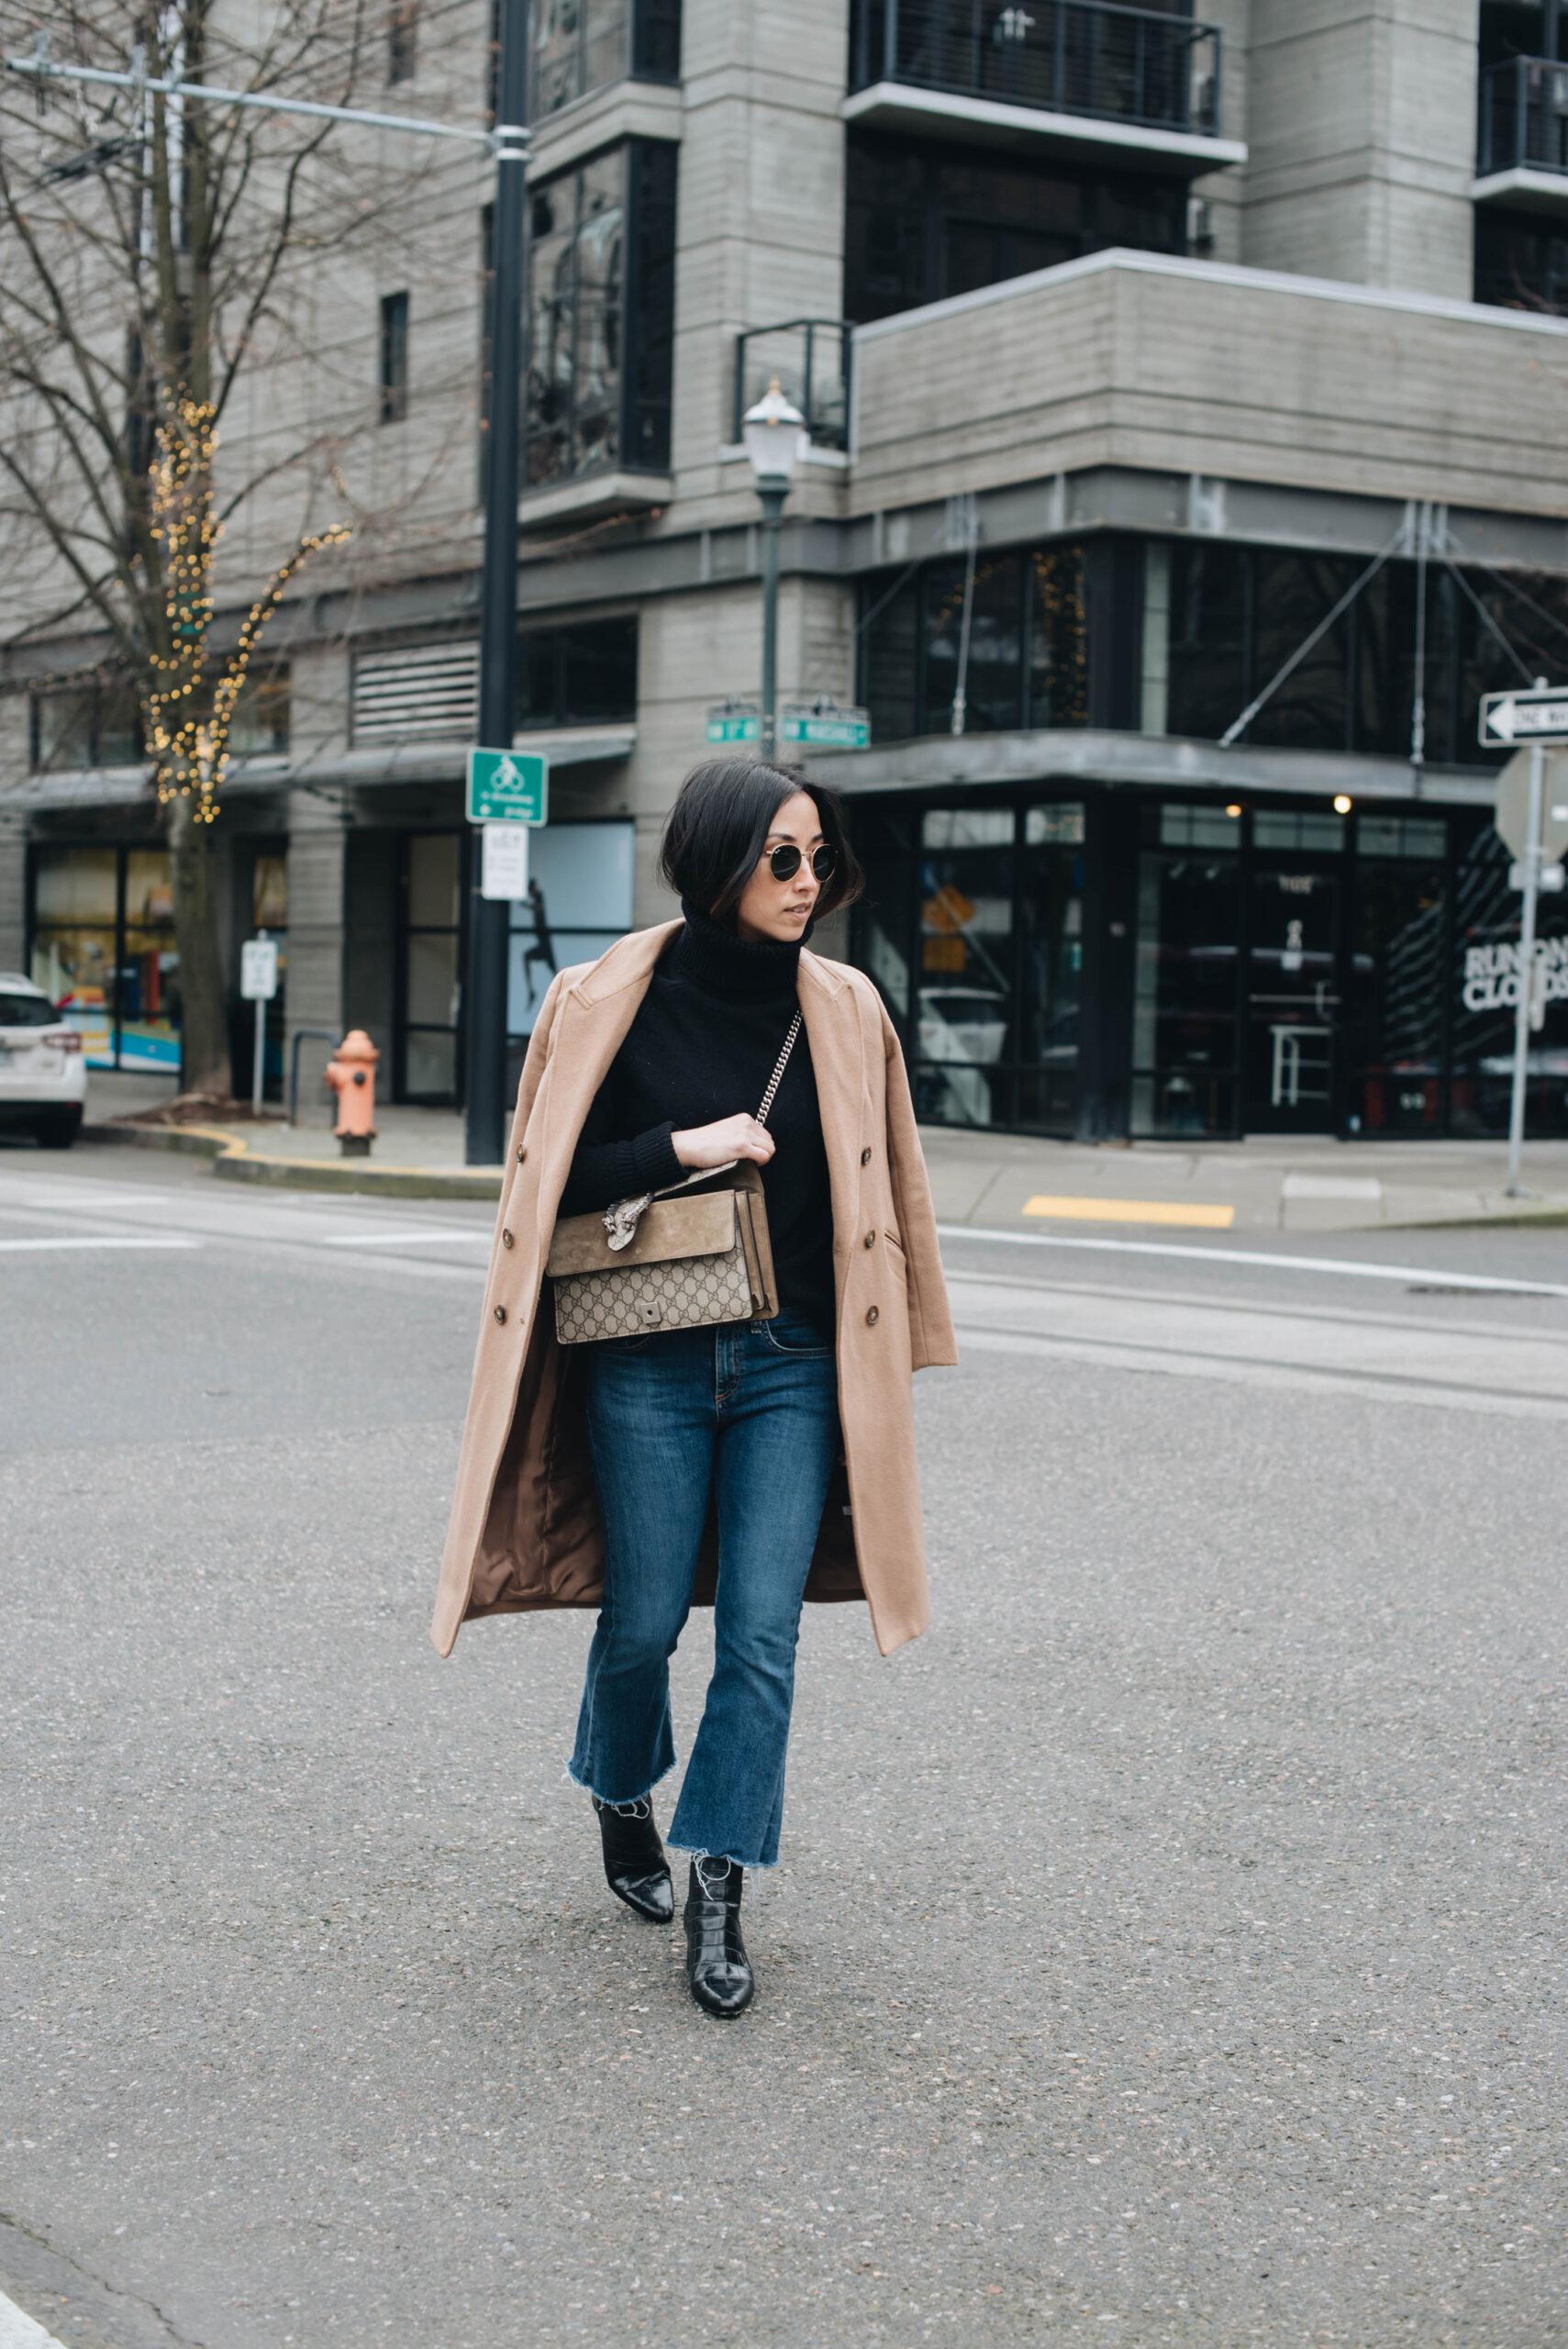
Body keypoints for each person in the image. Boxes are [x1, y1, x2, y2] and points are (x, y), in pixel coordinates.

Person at [429, 759, 958, 2021]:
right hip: (649, 1358)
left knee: (762, 1637)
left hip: (790, 1367)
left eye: (817, 857)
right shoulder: (608, 996)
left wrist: (901, 1335)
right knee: (643, 1623)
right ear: (716, 859)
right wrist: (690, 1145)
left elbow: (891, 1189)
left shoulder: (844, 1008)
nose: (806, 881)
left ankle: (720, 1880)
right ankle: (620, 1788)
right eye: (781, 857)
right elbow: (547, 1179)